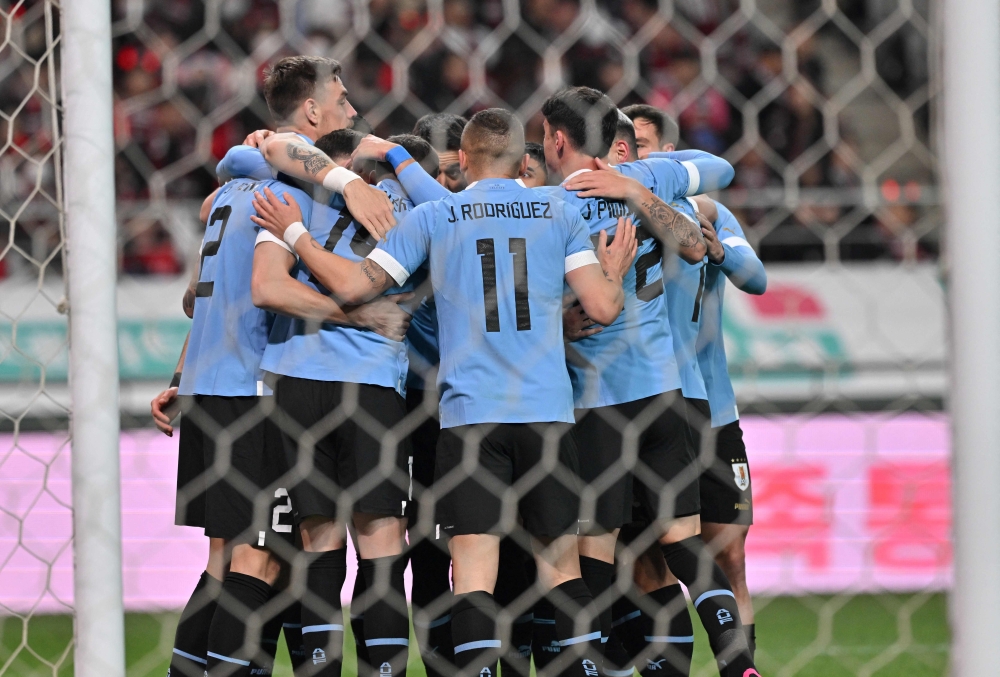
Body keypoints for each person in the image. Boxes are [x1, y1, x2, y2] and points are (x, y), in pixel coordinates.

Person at [249, 107, 637, 677]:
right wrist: (615, 272)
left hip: (469, 418)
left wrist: (295, 235)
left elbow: (353, 285)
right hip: (546, 415)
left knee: (472, 576)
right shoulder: (558, 210)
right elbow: (601, 308)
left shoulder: (436, 215)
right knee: (561, 569)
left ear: (466, 161)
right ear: (520, 161)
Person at [552, 87, 760, 677]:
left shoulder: (552, 205)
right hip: (667, 393)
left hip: (600, 398)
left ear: (557, 140)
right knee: (682, 544)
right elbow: (716, 182)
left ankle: (597, 669)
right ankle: (737, 665)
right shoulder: (657, 181)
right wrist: (639, 185)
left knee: (596, 552)